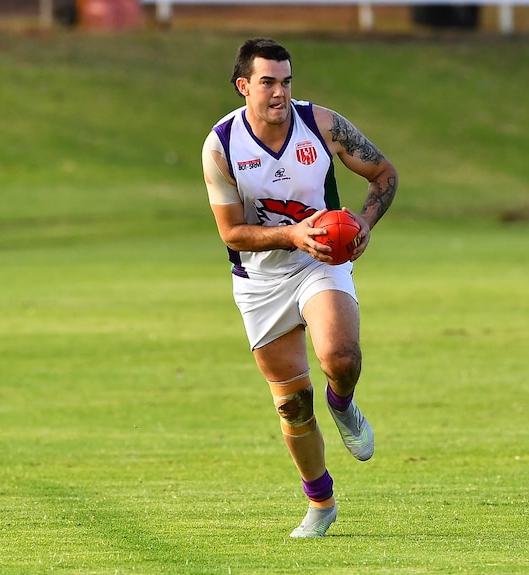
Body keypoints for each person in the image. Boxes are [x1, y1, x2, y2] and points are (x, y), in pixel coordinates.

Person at [201, 38, 398, 537]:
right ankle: (321, 503)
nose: (279, 92)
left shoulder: (322, 125)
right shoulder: (222, 145)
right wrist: (292, 234)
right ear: (243, 85)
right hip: (259, 277)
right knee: (292, 404)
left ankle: (343, 402)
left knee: (340, 358)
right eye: (267, 82)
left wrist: (365, 222)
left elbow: (383, 175)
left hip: (321, 264)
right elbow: (231, 233)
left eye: (286, 81)